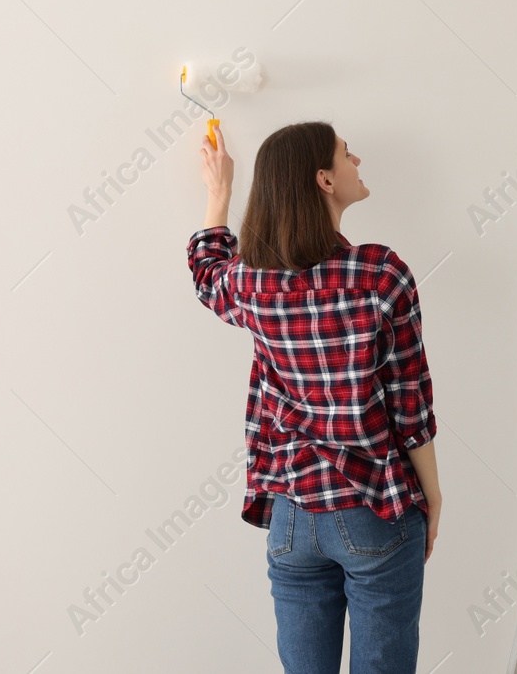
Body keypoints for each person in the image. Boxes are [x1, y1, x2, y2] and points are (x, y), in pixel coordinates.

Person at [187, 121, 441, 672]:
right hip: (372, 506)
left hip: (291, 517)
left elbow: (208, 276)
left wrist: (218, 193)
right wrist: (433, 495)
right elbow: (410, 404)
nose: (358, 161)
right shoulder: (379, 273)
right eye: (348, 155)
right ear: (324, 180)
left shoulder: (254, 284)